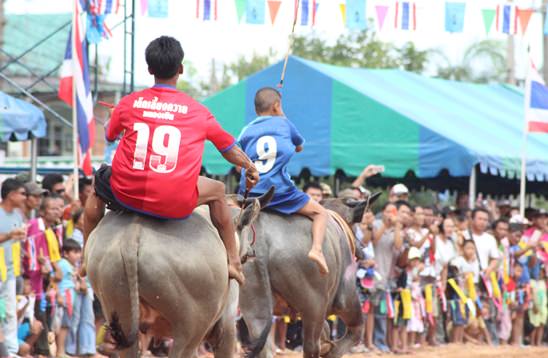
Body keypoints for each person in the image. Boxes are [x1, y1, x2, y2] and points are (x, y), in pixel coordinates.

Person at [83, 36, 259, 284]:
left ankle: (85, 258)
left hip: (126, 193)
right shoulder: (198, 111)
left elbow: (110, 135)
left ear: (149, 69)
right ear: (180, 69)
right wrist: (249, 167)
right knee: (218, 191)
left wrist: (115, 116)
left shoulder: (129, 103)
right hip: (174, 200)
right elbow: (229, 149)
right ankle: (232, 261)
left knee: (97, 184)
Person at [237, 87, 328, 274]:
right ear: (277, 106)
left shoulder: (246, 130)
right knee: (321, 213)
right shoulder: (285, 124)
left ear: (256, 110)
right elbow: (299, 147)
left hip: (250, 194)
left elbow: (239, 163)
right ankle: (317, 250)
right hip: (279, 193)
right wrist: (282, 115)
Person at [463, 208, 500, 345]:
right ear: (472, 219)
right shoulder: (464, 235)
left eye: (485, 219)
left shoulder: (490, 239)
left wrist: (489, 269)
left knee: (485, 310)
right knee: (468, 311)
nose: (483, 222)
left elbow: (495, 258)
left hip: (484, 280)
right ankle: (466, 340)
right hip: (467, 280)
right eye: (480, 218)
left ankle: (490, 340)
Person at [0, 179, 28, 356]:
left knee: (10, 312)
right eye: (22, 193)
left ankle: (10, 351)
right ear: (11, 195)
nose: (25, 197)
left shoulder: (18, 216)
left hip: (10, 273)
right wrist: (10, 235)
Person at [56, 239, 85, 357]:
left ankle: (61, 350)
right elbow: (56, 281)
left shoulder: (71, 266)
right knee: (62, 325)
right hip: (64, 298)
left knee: (66, 325)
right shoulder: (62, 264)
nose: (78, 255)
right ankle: (60, 352)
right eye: (75, 252)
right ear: (66, 253)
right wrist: (58, 295)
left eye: (79, 252)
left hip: (70, 298)